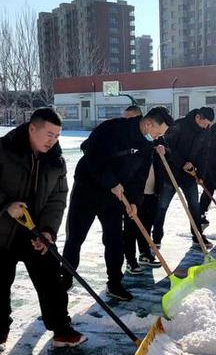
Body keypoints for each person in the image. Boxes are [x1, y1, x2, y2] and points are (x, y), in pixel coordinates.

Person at [0, 107, 86, 351]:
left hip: (35, 234)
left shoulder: (56, 161)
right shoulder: (2, 150)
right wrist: (5, 205)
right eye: (48, 134)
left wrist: (49, 232)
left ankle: (62, 331)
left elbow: (58, 197)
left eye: (57, 136)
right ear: (33, 128)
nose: (52, 141)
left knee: (52, 283)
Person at [61, 107, 173, 300]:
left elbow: (140, 176)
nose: (157, 138)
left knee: (114, 240)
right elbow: (92, 156)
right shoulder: (112, 129)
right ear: (148, 124)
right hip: (87, 190)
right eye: (157, 133)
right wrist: (111, 182)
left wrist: (135, 202)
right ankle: (65, 279)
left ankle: (114, 284)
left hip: (113, 197)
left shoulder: (147, 146)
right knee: (75, 238)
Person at [153, 107, 214, 249]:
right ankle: (156, 238)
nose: (206, 126)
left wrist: (201, 175)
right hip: (171, 173)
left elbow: (204, 154)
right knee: (162, 206)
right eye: (205, 123)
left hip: (189, 175)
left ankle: (198, 236)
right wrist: (182, 163)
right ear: (198, 117)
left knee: (194, 206)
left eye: (209, 124)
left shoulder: (205, 132)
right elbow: (167, 148)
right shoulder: (178, 126)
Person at [122, 154, 164, 274]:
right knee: (131, 228)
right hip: (133, 194)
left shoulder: (156, 139)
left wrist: (164, 150)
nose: (158, 135)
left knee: (147, 225)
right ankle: (130, 260)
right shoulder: (132, 141)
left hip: (152, 193)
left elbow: (169, 153)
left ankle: (145, 253)